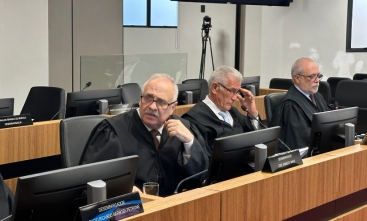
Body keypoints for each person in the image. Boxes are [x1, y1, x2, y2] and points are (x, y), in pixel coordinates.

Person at [79, 74, 209, 196]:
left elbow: (201, 178)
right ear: (140, 100)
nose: (152, 106)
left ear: (173, 107)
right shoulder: (113, 131)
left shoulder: (183, 129)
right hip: (131, 209)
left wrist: (190, 143)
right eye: (148, 98)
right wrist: (122, 189)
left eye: (161, 102)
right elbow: (92, 181)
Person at [182, 66, 264, 154]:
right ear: (215, 88)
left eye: (237, 92)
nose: (235, 98)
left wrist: (253, 113)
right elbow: (200, 158)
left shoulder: (234, 112)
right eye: (232, 91)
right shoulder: (194, 119)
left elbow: (257, 140)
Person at [270, 58, 332, 152]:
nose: (317, 80)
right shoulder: (290, 106)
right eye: (312, 76)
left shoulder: (317, 97)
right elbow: (300, 143)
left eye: (318, 76)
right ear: (297, 78)